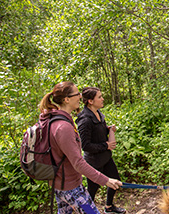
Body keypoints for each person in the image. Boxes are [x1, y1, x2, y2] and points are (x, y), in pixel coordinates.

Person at [39, 81, 122, 214]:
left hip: (60, 185)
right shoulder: (63, 127)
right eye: (77, 94)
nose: (80, 97)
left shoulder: (55, 119)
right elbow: (78, 162)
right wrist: (105, 180)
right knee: (91, 212)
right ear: (67, 99)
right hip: (72, 189)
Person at [76, 87, 126, 214]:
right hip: (94, 162)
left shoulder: (99, 114)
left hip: (106, 158)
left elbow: (98, 134)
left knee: (115, 181)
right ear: (90, 101)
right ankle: (86, 212)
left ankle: (109, 207)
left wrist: (108, 129)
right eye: (99, 97)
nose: (102, 99)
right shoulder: (85, 120)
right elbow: (85, 145)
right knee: (92, 191)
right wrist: (106, 145)